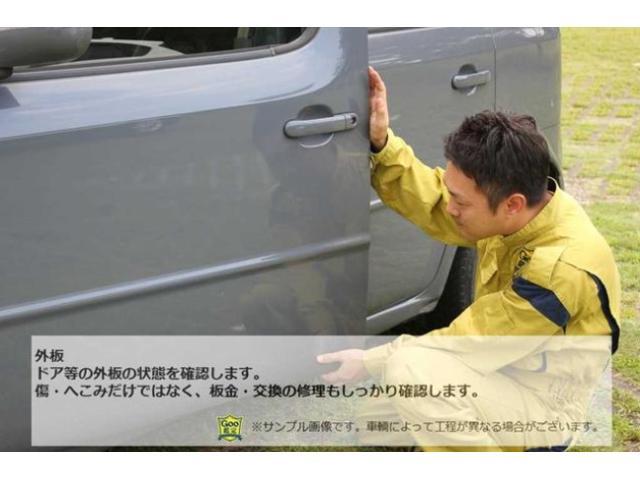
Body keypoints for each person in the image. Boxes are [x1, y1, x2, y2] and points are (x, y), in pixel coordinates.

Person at [316, 66, 621, 451]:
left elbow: (471, 341)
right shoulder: (516, 211)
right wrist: (381, 144)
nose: (451, 207)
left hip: (544, 409)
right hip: (501, 370)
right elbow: (433, 200)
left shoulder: (560, 267)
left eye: (461, 201)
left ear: (512, 204)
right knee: (380, 418)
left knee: (412, 372)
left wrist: (369, 360)